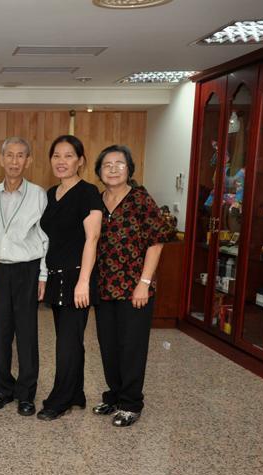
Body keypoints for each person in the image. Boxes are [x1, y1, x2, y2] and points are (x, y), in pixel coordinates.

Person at [93, 144, 174, 427]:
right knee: (108, 346)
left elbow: (156, 242)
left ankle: (131, 403)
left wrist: (144, 283)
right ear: (99, 171)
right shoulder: (97, 201)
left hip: (134, 288)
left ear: (129, 169)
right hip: (104, 287)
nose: (113, 169)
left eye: (120, 164)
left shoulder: (140, 199)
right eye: (107, 165)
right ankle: (114, 395)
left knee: (132, 347)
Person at [37, 134, 103, 421]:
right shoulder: (51, 193)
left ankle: (59, 400)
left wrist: (84, 281)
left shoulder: (88, 192)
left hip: (77, 277)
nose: (61, 161)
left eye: (68, 156)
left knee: (67, 342)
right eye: (56, 156)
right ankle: (76, 393)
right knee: (71, 340)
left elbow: (92, 239)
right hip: (56, 276)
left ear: (80, 161)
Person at [0, 137, 48, 416]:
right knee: (0, 333)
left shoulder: (38, 194)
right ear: (1, 159)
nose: (14, 161)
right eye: (9, 155)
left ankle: (26, 393)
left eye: (21, 156)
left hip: (27, 270)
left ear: (28, 161)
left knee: (27, 334)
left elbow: (45, 237)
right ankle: (2, 389)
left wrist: (43, 275)